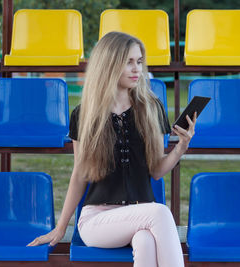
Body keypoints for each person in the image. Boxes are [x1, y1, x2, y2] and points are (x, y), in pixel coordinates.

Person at [28, 31, 196, 267]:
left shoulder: (152, 108)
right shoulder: (85, 114)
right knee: (159, 213)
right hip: (97, 220)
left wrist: (181, 147)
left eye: (139, 61)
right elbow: (80, 175)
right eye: (128, 62)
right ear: (109, 64)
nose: (137, 68)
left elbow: (156, 171)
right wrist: (60, 228)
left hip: (141, 214)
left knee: (146, 242)